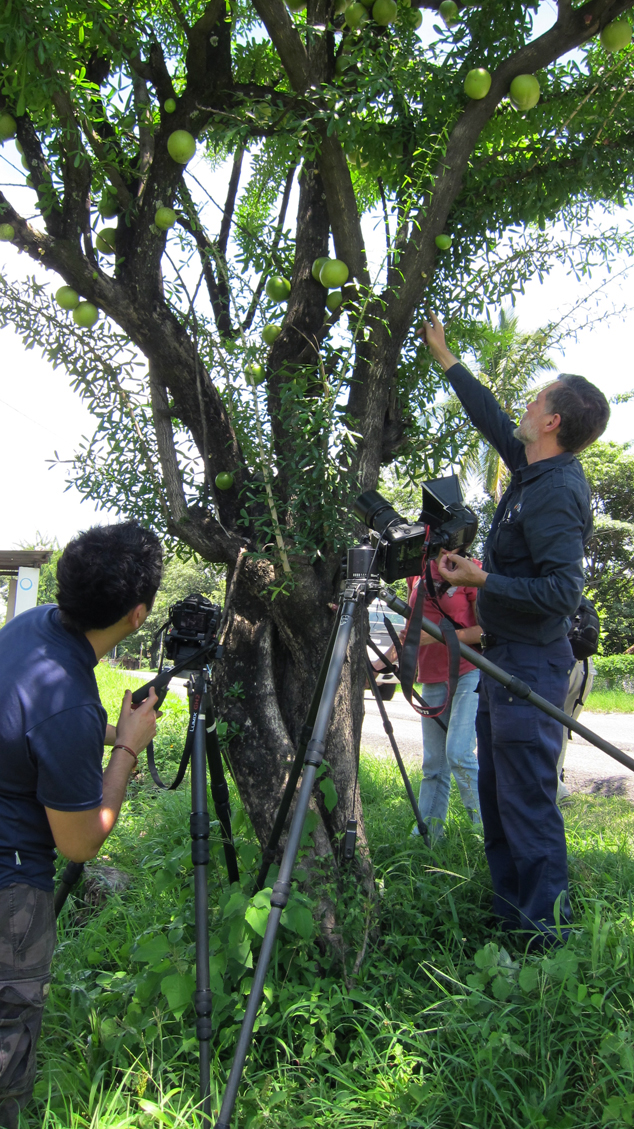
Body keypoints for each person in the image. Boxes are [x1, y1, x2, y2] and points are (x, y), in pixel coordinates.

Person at [421, 312, 610, 947]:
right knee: (501, 802)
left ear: (553, 420)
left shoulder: (556, 489)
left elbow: (562, 592)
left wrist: (481, 583)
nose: (524, 406)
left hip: (530, 663)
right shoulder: (529, 469)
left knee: (527, 804)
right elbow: (489, 415)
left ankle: (545, 943)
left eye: (536, 399)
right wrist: (446, 357)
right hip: (502, 662)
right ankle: (512, 924)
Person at [0, 523, 163, 1128]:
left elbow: (42, 724)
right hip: (10, 884)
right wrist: (126, 752)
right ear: (139, 614)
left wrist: (111, 728)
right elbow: (80, 839)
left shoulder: (33, 625)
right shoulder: (66, 695)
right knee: (6, 1040)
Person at [374, 552, 483, 840]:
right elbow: (411, 630)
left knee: (459, 753)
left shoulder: (473, 571)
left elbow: (486, 632)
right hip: (433, 677)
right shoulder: (418, 573)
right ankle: (428, 835)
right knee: (434, 764)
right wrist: (381, 662)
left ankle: (485, 833)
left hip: (468, 671)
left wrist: (438, 636)